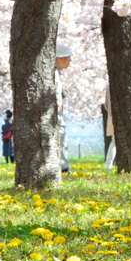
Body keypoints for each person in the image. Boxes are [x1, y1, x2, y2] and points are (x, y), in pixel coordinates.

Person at [56, 43, 73, 176]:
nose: (70, 60)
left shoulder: (56, 72)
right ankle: (63, 167)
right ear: (59, 58)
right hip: (56, 113)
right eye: (67, 57)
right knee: (61, 138)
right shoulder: (54, 72)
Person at [103, 86, 116, 170]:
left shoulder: (109, 86)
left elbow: (106, 105)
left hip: (112, 117)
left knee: (114, 142)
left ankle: (108, 164)